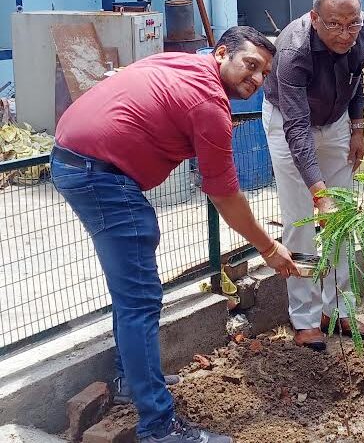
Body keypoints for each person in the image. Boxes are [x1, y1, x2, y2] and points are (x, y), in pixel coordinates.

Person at [52, 26, 300, 443]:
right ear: (222, 53)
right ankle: (159, 427)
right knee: (140, 298)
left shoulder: (184, 63)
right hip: (99, 174)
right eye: (250, 66)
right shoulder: (209, 105)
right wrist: (269, 247)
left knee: (133, 291)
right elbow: (224, 196)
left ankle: (132, 380)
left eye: (264, 74)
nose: (256, 80)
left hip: (78, 161)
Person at [263, 0, 364, 351]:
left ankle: (338, 307)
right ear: (314, 19)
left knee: (342, 219)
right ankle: (307, 317)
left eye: (352, 23)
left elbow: (357, 83)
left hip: (338, 121)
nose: (345, 34)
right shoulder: (293, 51)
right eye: (334, 25)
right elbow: (297, 130)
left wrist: (357, 129)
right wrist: (318, 193)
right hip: (290, 124)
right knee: (302, 222)